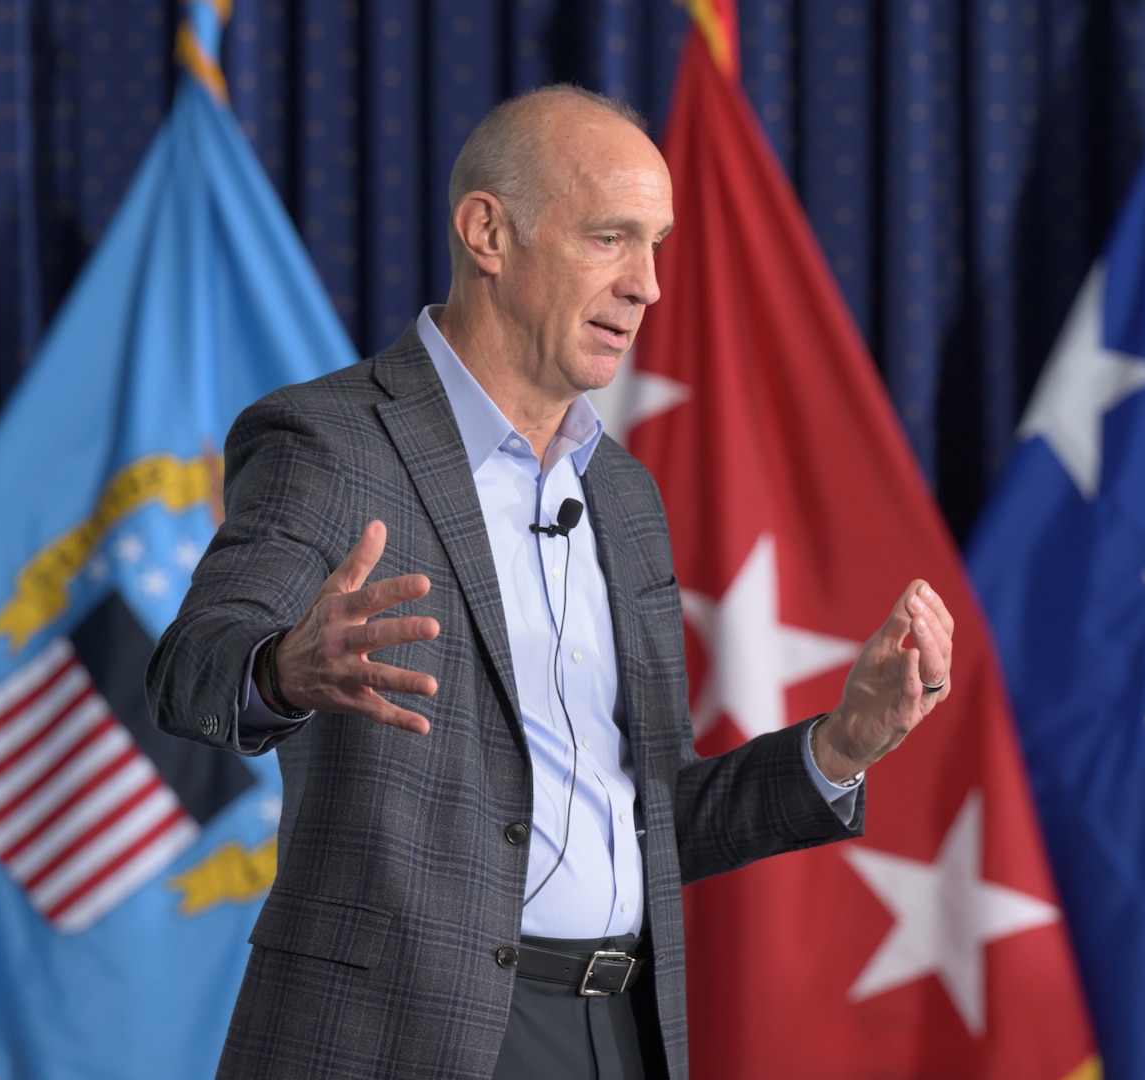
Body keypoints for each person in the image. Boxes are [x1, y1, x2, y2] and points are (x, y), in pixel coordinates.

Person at [147, 85, 955, 1080]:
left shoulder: (622, 494)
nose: (649, 286)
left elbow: (657, 819)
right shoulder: (333, 442)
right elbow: (189, 669)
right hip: (399, 1039)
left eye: (656, 244)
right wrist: (278, 671)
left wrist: (839, 748)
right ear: (488, 232)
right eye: (611, 238)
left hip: (617, 1035)